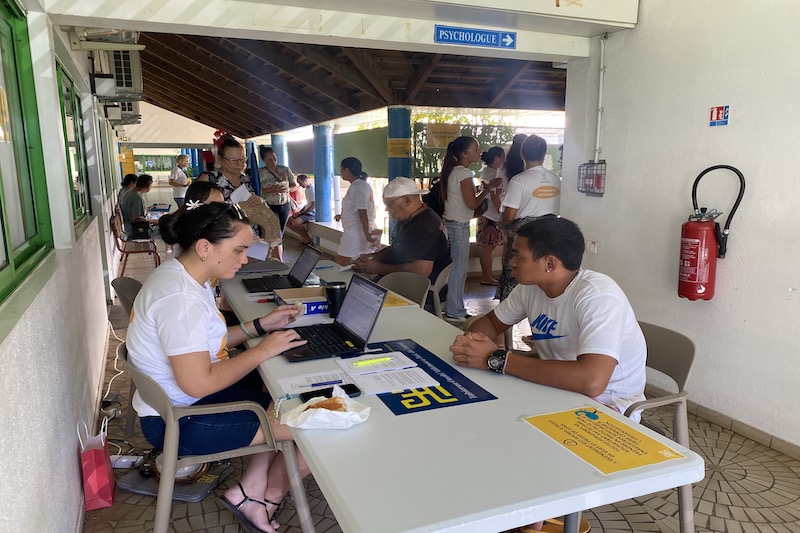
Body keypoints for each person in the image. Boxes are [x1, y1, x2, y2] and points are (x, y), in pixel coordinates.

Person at [449, 216, 645, 533]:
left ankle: (532, 517)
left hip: (608, 404)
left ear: (550, 263)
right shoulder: (532, 287)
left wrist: (497, 359)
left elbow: (592, 381)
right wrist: (475, 342)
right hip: (554, 390)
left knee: (516, 440)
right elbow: (491, 323)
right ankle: (508, 508)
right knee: (479, 418)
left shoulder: (597, 296)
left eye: (517, 255)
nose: (509, 261)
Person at [127, 202, 311, 533]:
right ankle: (267, 497)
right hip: (180, 423)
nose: (245, 259)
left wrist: (259, 327)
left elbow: (203, 346)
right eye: (239, 250)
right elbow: (198, 383)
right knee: (317, 421)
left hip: (179, 405)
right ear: (204, 247)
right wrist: (262, 351)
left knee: (283, 390)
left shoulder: (182, 277)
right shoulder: (180, 299)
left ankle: (250, 489)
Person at [496, 135, 561, 301]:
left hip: (524, 235)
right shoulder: (555, 178)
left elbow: (509, 216)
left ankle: (509, 313)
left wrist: (503, 224)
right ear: (544, 154)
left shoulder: (519, 180)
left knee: (515, 272)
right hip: (550, 233)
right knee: (544, 273)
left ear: (522, 154)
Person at [440, 136, 497, 322]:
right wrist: (487, 190)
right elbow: (472, 204)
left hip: (450, 224)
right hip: (459, 226)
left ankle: (448, 305)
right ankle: (456, 311)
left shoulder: (452, 171)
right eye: (475, 149)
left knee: (452, 269)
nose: (479, 152)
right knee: (458, 271)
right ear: (464, 153)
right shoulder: (464, 173)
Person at [352, 176, 451, 283]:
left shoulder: (426, 225)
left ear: (407, 200)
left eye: (390, 204)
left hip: (415, 287)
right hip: (399, 278)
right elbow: (396, 247)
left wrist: (378, 268)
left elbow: (421, 271)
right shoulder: (408, 218)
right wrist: (373, 257)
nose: (386, 209)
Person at [334, 157, 377, 265]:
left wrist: (367, 234)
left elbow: (362, 212)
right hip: (364, 230)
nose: (340, 172)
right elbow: (355, 208)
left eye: (341, 169)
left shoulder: (358, 187)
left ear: (347, 170)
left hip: (357, 232)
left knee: (340, 262)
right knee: (364, 263)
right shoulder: (360, 185)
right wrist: (342, 215)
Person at [258, 146, 297, 259]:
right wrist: (272, 190)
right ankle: (279, 259)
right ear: (263, 160)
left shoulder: (285, 170)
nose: (273, 161)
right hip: (268, 206)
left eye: (274, 158)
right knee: (276, 232)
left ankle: (271, 254)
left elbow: (294, 186)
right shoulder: (260, 173)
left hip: (284, 205)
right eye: (269, 159)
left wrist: (287, 189)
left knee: (279, 232)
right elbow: (257, 191)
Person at [476, 147, 506, 286]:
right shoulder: (491, 174)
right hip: (490, 215)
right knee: (487, 248)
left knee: (489, 247)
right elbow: (494, 196)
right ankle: (486, 276)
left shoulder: (489, 172)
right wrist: (501, 212)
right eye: (503, 156)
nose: (504, 159)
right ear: (497, 158)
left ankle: (488, 274)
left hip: (489, 214)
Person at [209, 136, 263, 210]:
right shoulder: (209, 179)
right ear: (220, 159)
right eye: (233, 160)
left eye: (242, 159)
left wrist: (260, 201)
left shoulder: (247, 179)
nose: (239, 164)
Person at [286, 174, 316, 246]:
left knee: (295, 223)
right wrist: (300, 212)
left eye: (300, 183)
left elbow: (313, 206)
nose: (300, 185)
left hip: (312, 213)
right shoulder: (307, 190)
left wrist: (303, 213)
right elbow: (308, 204)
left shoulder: (312, 189)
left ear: (306, 180)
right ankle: (304, 237)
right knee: (288, 221)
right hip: (307, 211)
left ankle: (307, 239)